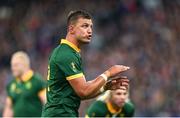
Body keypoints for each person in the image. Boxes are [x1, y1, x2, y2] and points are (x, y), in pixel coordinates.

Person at [42, 10, 130, 117]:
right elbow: (84, 91)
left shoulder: (71, 53)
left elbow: (80, 93)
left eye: (91, 27)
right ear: (71, 29)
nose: (89, 31)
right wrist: (108, 73)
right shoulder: (66, 54)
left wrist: (105, 87)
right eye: (84, 26)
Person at [3, 51, 46, 117]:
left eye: (15, 65)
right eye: (12, 65)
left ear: (24, 65)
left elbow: (46, 103)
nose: (12, 68)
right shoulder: (11, 85)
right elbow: (9, 108)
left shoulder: (37, 81)